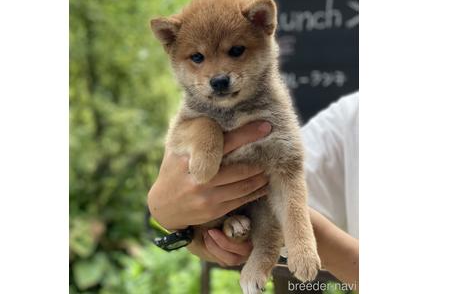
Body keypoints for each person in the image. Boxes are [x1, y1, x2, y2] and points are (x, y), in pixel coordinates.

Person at [147, 92, 359, 287]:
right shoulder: (348, 119)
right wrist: (174, 217)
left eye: (236, 51)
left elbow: (285, 185)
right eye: (198, 58)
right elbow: (284, 181)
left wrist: (297, 237)